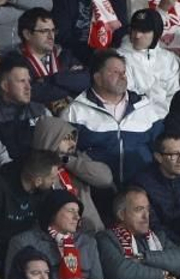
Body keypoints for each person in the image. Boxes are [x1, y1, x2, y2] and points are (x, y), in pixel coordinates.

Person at [65, 51, 164, 185]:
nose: (123, 77)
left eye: (123, 72)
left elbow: (162, 147)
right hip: (94, 191)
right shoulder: (75, 111)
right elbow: (67, 155)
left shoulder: (144, 106)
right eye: (116, 72)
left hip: (140, 189)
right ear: (98, 78)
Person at [137, 134, 180, 243]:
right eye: (174, 155)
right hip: (162, 243)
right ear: (158, 157)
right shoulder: (144, 182)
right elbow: (153, 224)